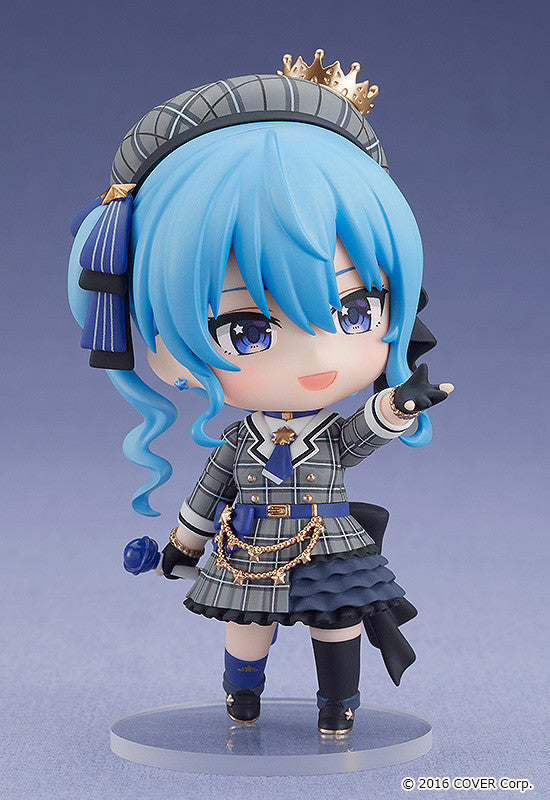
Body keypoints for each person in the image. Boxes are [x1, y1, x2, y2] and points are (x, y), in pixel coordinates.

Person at [68, 52, 453, 735]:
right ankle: (241, 697)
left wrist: (397, 407)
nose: (319, 358)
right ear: (163, 347)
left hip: (327, 540)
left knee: (338, 623)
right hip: (249, 547)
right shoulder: (238, 442)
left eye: (356, 311)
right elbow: (205, 495)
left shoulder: (324, 436)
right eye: (246, 330)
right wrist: (182, 547)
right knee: (246, 629)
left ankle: (338, 705)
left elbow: (358, 436)